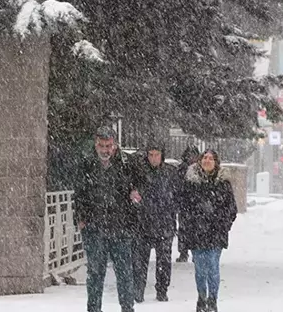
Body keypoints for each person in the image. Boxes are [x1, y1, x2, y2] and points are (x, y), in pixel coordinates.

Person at [74, 126, 141, 312]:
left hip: (120, 227)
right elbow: (79, 192)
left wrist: (136, 195)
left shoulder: (127, 163)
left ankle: (127, 308)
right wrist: (81, 218)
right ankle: (94, 309)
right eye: (101, 146)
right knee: (95, 272)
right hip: (94, 227)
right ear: (95, 145)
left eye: (109, 146)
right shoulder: (87, 163)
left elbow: (139, 186)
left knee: (124, 272)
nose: (105, 150)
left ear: (115, 145)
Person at [180, 149, 237, 312]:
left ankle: (212, 299)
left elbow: (231, 208)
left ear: (216, 162)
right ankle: (201, 297)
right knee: (199, 269)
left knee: (212, 266)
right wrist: (189, 225)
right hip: (197, 232)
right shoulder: (191, 182)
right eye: (205, 158)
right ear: (200, 161)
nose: (207, 161)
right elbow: (184, 207)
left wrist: (223, 225)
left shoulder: (223, 183)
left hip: (215, 233)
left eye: (211, 158)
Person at [132, 141, 177, 303]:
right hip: (143, 223)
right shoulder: (139, 173)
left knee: (164, 261)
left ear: (162, 156)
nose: (153, 158)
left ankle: (162, 290)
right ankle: (138, 290)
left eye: (157, 155)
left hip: (165, 223)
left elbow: (178, 196)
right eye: (150, 155)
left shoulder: (171, 173)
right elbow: (132, 193)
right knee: (140, 261)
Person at [175, 145, 200, 263]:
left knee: (195, 229)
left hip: (195, 205)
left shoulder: (199, 169)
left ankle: (194, 252)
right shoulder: (182, 169)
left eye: (194, 155)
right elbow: (177, 186)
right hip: (185, 204)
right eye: (190, 155)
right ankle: (184, 252)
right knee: (184, 229)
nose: (192, 158)